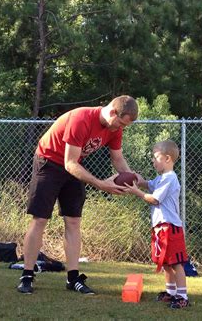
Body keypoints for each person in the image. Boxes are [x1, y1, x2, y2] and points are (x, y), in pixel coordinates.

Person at [17, 95, 140, 295]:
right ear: (112, 112)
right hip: (49, 162)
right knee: (40, 219)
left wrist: (132, 180)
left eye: (124, 126)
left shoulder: (115, 128)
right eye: (120, 123)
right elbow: (69, 163)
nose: (120, 129)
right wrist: (100, 184)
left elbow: (118, 159)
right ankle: (27, 275)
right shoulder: (81, 119)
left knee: (73, 221)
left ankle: (72, 278)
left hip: (73, 165)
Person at [125, 140, 190, 309]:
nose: (153, 161)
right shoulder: (161, 178)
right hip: (161, 227)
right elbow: (150, 184)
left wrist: (136, 192)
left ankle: (182, 296)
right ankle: (171, 292)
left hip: (170, 226)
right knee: (166, 263)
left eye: (155, 158)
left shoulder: (170, 178)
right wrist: (140, 181)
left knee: (176, 263)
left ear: (167, 158)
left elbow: (154, 199)